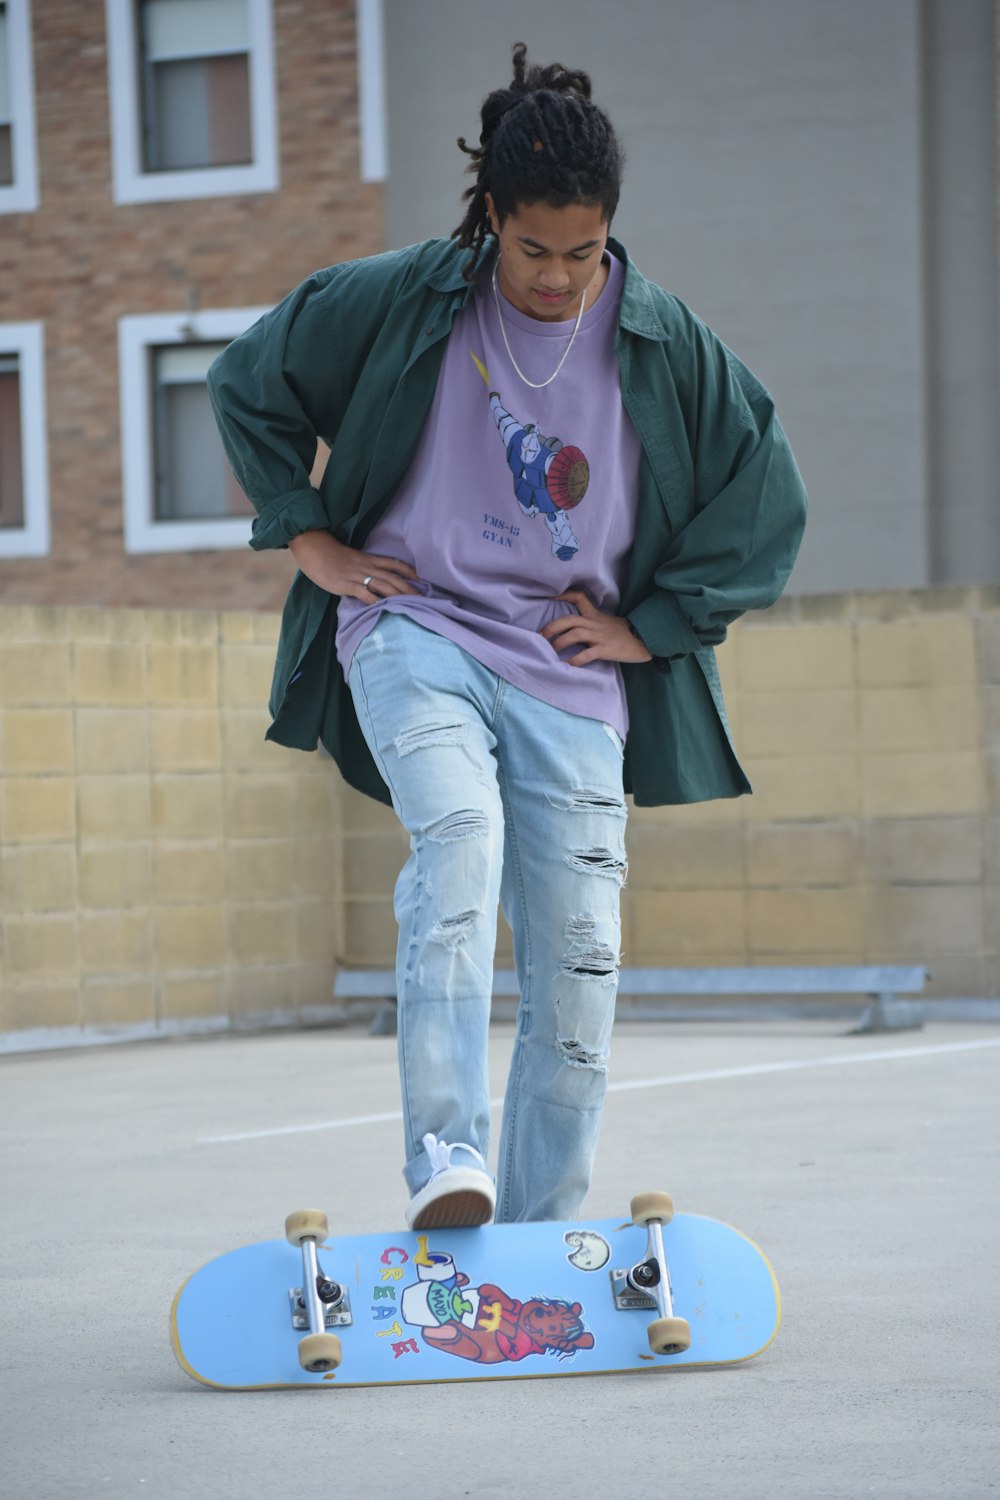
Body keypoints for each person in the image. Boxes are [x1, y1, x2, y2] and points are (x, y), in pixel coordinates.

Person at [207, 43, 807, 1231]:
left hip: (568, 672)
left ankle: (539, 1241)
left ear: (608, 231)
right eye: (531, 250)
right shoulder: (401, 296)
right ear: (492, 218)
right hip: (413, 626)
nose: (555, 277)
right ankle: (445, 1158)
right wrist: (310, 538)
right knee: (459, 845)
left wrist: (653, 627)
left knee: (580, 959)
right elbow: (245, 381)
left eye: (581, 252)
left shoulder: (662, 339)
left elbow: (764, 489)